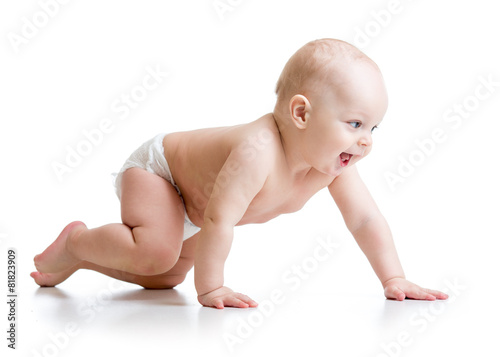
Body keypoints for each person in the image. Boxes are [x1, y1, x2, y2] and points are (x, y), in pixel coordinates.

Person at [31, 39, 448, 309]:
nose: (366, 142)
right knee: (157, 252)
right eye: (355, 124)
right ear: (301, 113)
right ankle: (77, 240)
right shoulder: (259, 150)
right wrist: (212, 288)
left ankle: (80, 257)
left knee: (165, 277)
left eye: (373, 128)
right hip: (161, 173)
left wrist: (393, 277)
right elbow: (218, 220)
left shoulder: (330, 166)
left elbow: (365, 219)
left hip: (196, 208)